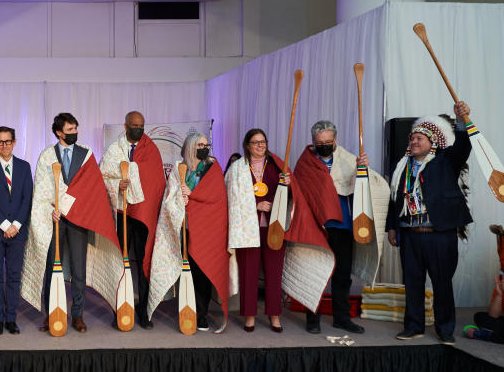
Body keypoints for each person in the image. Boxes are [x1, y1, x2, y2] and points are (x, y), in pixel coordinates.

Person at [22, 112, 121, 334]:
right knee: (51, 269)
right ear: (59, 132)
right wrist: (51, 210)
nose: (74, 133)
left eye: (75, 129)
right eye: (69, 130)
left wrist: (68, 206)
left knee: (79, 270)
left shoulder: (86, 154)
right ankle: (51, 314)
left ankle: (77, 315)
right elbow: (41, 189)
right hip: (54, 220)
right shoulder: (47, 155)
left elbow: (91, 189)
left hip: (78, 220)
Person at [387, 103, 473, 345]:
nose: (413, 141)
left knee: (442, 283)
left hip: (439, 234)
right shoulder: (400, 167)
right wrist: (392, 227)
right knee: (412, 283)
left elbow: (464, 146)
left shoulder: (446, 161)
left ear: (432, 141)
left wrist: (460, 120)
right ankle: (413, 327)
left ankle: (445, 330)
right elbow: (394, 199)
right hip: (410, 235)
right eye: (412, 138)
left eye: (419, 138)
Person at [147, 133, 233, 332]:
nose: (204, 147)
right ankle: (189, 312)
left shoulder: (212, 168)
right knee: (190, 272)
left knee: (203, 272)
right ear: (190, 147)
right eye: (200, 144)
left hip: (206, 230)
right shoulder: (179, 169)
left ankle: (201, 314)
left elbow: (216, 198)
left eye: (206, 144)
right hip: (184, 228)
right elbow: (169, 197)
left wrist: (193, 195)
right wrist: (179, 195)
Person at [292, 120, 370, 334]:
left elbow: (360, 186)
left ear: (335, 140)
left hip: (342, 224)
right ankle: (312, 319)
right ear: (313, 142)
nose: (324, 145)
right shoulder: (305, 163)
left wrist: (362, 168)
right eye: (320, 142)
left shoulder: (348, 160)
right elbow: (299, 195)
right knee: (314, 272)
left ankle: (341, 318)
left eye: (328, 141)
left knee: (343, 274)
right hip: (316, 226)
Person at [99, 111, 166, 329]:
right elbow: (103, 177)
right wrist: (117, 184)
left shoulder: (151, 149)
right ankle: (121, 307)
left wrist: (133, 177)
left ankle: (144, 309)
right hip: (121, 213)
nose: (138, 128)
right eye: (134, 125)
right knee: (120, 261)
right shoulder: (114, 149)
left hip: (143, 215)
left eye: (142, 125)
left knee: (144, 260)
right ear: (126, 126)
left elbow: (156, 181)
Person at [226, 128, 290, 332]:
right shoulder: (237, 168)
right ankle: (250, 316)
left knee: (274, 273)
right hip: (247, 228)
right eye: (255, 142)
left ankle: (274, 315)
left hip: (274, 226)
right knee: (249, 273)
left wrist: (288, 184)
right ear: (247, 145)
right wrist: (255, 205)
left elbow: (290, 196)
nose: (260, 145)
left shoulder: (277, 166)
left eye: (263, 141)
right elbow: (229, 198)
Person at [0, 126, 33, 335]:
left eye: (8, 141)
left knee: (13, 275)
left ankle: (11, 318)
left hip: (17, 232)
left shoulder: (24, 167)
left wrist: (16, 225)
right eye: (0, 142)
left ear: (14, 142)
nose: (4, 146)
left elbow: (27, 199)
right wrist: (4, 225)